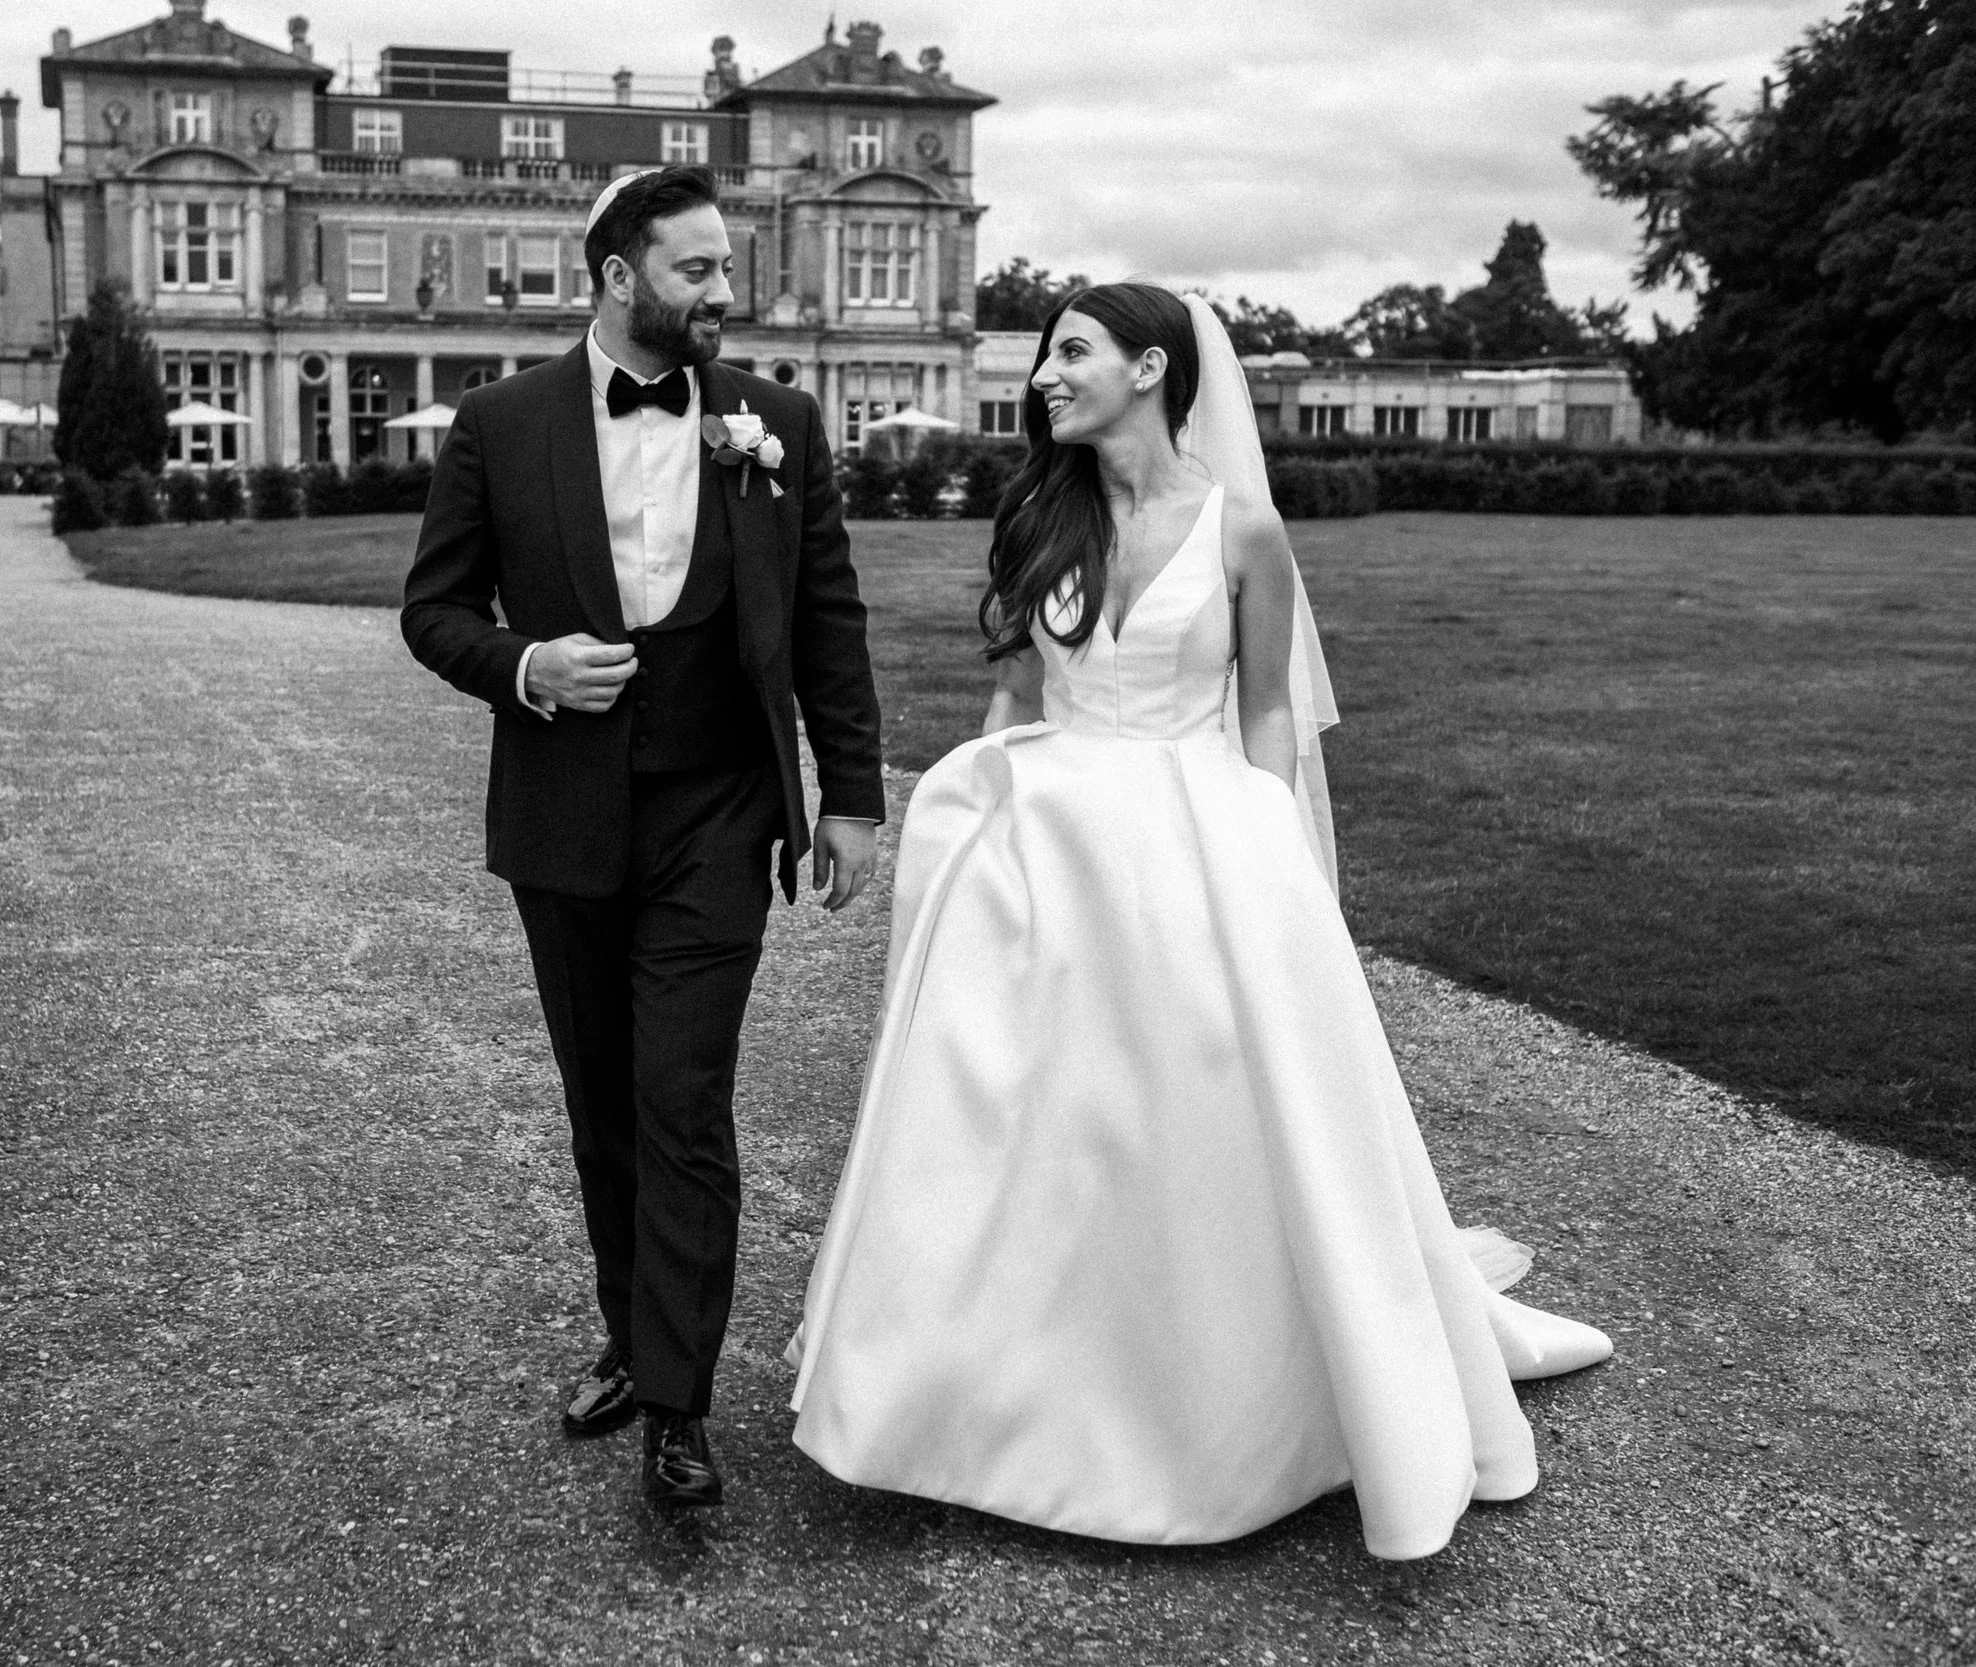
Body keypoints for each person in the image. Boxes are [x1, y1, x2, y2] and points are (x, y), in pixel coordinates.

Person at [783, 282, 1612, 1560]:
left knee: (1190, 1114)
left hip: (1193, 839)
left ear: (1151, 367)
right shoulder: (1035, 516)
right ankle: (972, 1392)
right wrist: (977, 825)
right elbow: (1013, 698)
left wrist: (1271, 845)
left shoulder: (1245, 534)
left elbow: (1270, 710)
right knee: (1009, 1115)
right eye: (1048, 356)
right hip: (1045, 845)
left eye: (1072, 353)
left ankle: (1211, 1409)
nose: (1045, 376)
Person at [401, 166, 884, 1509]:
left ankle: (677, 1398)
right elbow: (432, 609)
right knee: (604, 1103)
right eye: (695, 271)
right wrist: (527, 664)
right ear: (617, 277)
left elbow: (827, 617)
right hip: (565, 812)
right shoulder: (503, 423)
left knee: (681, 1100)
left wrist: (848, 796)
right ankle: (630, 1327)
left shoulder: (777, 421)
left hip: (721, 811)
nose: (724, 292)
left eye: (725, 267)